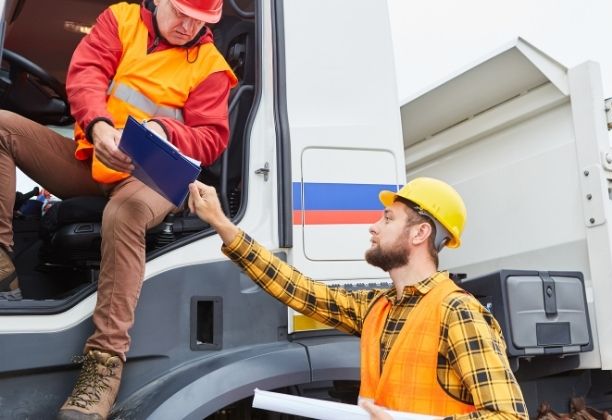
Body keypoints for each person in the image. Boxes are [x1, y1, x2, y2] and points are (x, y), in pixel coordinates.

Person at [0, 0, 236, 418]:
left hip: (153, 177)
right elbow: (87, 73)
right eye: (181, 12)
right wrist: (99, 125)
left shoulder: (212, 67)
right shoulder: (120, 19)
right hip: (98, 157)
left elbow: (211, 138)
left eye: (200, 20)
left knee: (123, 215)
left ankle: (103, 368)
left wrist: (167, 131)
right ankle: (3, 269)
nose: (188, 26)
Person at [188, 178, 530, 419]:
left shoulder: (458, 312)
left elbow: (508, 415)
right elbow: (300, 290)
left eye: (388, 218)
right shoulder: (377, 308)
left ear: (420, 232)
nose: (374, 226)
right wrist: (222, 223)